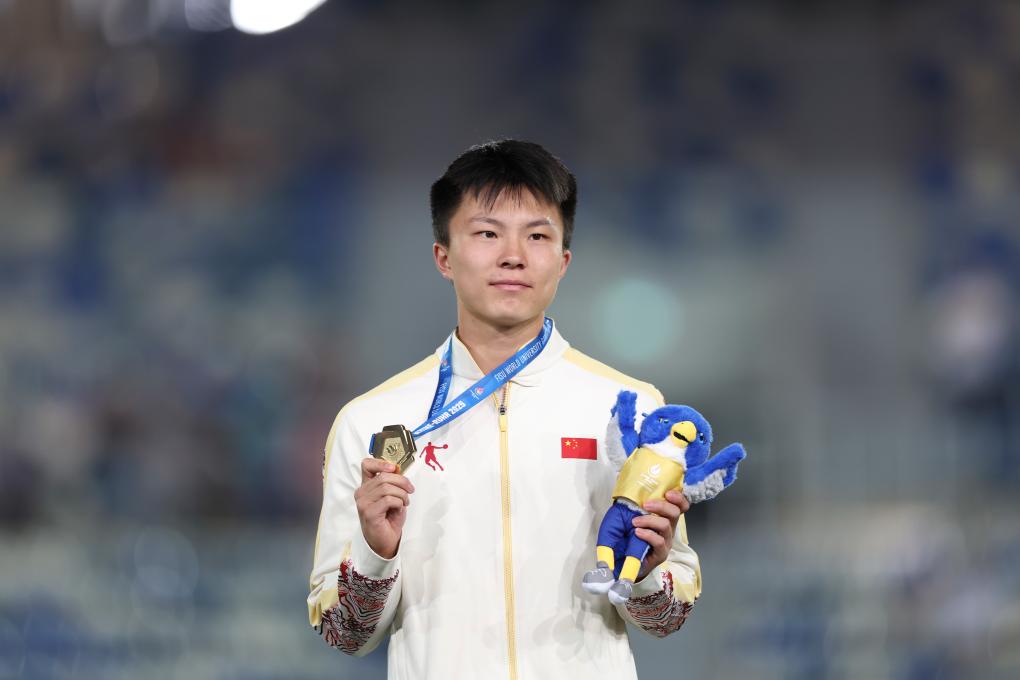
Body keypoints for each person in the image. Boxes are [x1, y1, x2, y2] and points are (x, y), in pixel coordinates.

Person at [307, 140, 701, 679]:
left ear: (563, 261)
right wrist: (377, 553)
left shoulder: (628, 411)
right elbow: (343, 633)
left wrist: (648, 573)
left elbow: (668, 618)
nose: (513, 255)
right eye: (487, 233)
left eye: (537, 236)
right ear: (444, 257)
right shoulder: (371, 422)